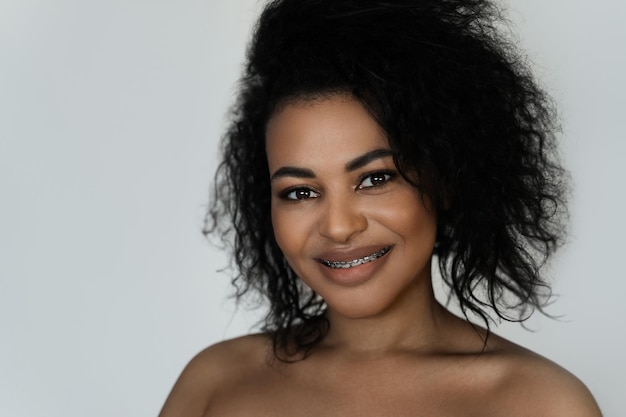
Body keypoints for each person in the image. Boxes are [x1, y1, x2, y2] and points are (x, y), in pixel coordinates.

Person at [160, 0, 602, 415]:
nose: (337, 226)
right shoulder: (215, 384)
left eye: (375, 179)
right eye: (299, 191)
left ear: (445, 179)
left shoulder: (540, 403)